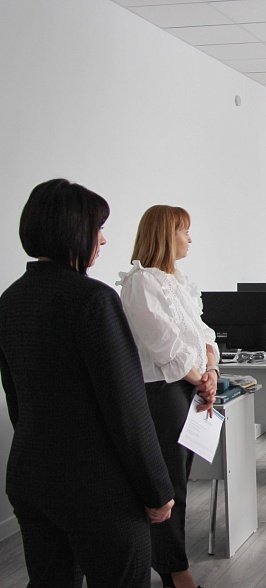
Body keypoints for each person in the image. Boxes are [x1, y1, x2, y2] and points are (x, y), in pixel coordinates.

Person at [0, 179, 175, 587]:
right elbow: (127, 407)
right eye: (98, 228)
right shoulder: (93, 300)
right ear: (75, 231)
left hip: (30, 477)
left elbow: (17, 401)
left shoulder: (9, 301)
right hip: (99, 490)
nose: (103, 239)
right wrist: (157, 489)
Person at [118, 205, 218, 588]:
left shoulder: (178, 281)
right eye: (184, 231)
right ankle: (174, 570)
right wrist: (200, 378)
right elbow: (166, 347)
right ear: (164, 234)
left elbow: (205, 336)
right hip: (163, 393)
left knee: (180, 483)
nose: (190, 238)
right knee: (168, 488)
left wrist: (211, 372)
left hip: (189, 387)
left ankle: (170, 564)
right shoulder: (141, 283)